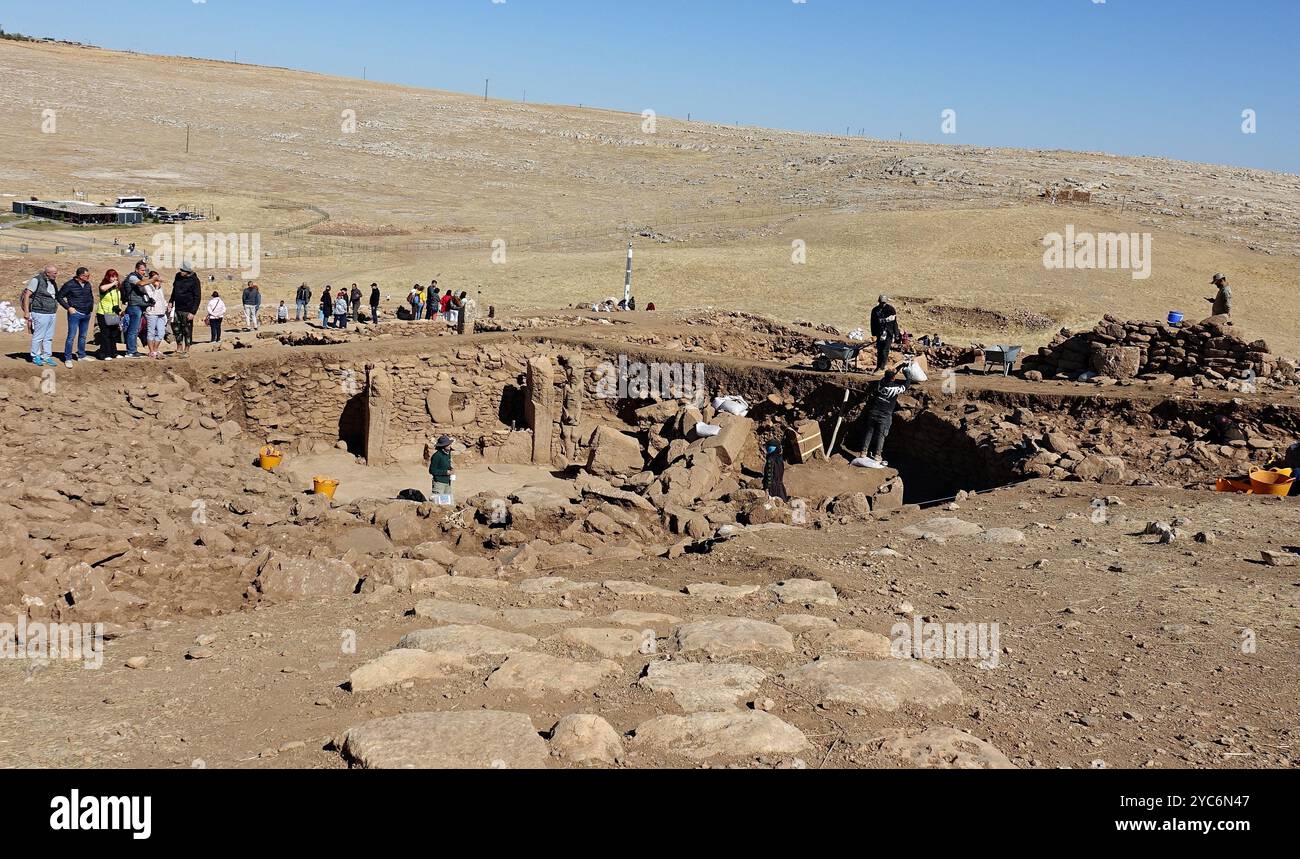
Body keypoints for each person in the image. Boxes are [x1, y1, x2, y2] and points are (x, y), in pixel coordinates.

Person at [860, 368, 909, 466]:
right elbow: (906, 385)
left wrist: (894, 372)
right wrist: (908, 375)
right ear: (894, 378)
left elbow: (889, 377)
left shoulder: (880, 383)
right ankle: (877, 455)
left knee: (869, 432)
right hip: (885, 415)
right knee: (881, 435)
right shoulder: (895, 388)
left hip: (873, 412)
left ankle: (863, 452)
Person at [21, 264, 61, 367]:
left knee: (48, 336)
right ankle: (35, 356)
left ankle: (46, 356)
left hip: (51, 312)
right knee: (38, 336)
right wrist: (26, 311)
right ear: (48, 273)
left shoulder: (52, 281)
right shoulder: (36, 280)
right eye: (54, 273)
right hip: (39, 312)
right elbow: (27, 295)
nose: (56, 275)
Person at [57, 266, 95, 366]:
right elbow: (59, 297)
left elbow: (90, 296)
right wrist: (68, 307)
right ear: (80, 276)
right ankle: (68, 358)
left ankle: (81, 355)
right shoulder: (69, 284)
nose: (88, 277)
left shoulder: (87, 284)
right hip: (75, 314)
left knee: (83, 336)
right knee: (71, 336)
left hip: (86, 313)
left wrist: (90, 308)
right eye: (87, 276)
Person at [168, 261, 202, 358]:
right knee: (176, 329)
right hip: (177, 308)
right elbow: (174, 291)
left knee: (187, 330)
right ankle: (179, 348)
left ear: (188, 271)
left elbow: (197, 297)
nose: (181, 272)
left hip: (188, 309)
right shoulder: (178, 277)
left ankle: (186, 350)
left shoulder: (194, 280)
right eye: (181, 270)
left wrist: (193, 312)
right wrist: (171, 301)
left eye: (183, 270)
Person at [121, 261, 151, 358]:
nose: (144, 272)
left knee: (135, 330)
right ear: (136, 269)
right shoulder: (132, 277)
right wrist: (153, 279)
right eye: (142, 270)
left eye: (145, 270)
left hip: (138, 306)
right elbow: (141, 283)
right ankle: (130, 351)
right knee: (132, 330)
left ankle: (133, 350)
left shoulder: (138, 277)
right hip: (134, 306)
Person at [94, 269, 123, 361]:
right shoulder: (104, 286)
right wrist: (113, 284)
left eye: (115, 276)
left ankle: (113, 352)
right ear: (108, 277)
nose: (114, 278)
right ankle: (105, 353)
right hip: (103, 313)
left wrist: (119, 311)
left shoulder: (117, 288)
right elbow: (102, 289)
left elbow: (119, 300)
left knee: (114, 334)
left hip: (113, 314)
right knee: (105, 334)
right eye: (112, 276)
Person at [142, 270, 169, 358]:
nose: (158, 281)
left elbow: (162, 298)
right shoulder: (147, 287)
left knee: (161, 332)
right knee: (151, 332)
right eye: (155, 279)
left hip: (161, 312)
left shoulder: (160, 287)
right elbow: (153, 299)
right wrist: (156, 288)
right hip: (152, 312)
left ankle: (155, 349)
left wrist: (166, 306)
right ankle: (151, 351)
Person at [870, 294, 900, 373]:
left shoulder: (891, 310)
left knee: (885, 351)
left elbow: (894, 322)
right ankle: (878, 367)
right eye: (881, 302)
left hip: (889, 333)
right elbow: (873, 323)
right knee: (879, 351)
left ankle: (882, 367)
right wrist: (874, 333)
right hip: (879, 333)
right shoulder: (875, 310)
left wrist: (896, 333)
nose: (882, 304)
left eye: (884, 303)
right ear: (879, 302)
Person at [429, 435, 455, 502]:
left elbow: (446, 464)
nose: (449, 445)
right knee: (437, 503)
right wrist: (446, 472)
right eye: (447, 444)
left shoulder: (448, 453)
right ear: (442, 446)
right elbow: (432, 470)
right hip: (439, 483)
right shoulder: (437, 456)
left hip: (447, 482)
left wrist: (451, 469)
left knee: (447, 504)